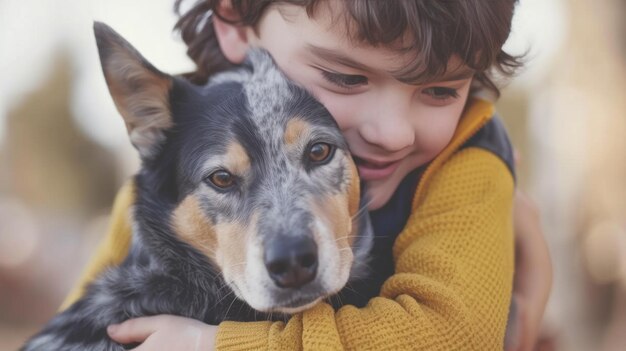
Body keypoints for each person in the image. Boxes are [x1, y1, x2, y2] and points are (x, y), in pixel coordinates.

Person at [64, 1, 552, 349]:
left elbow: (454, 334)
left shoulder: (469, 162)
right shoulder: (178, 147)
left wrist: (212, 344)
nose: (393, 133)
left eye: (441, 90)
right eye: (346, 77)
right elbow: (83, 321)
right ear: (235, 20)